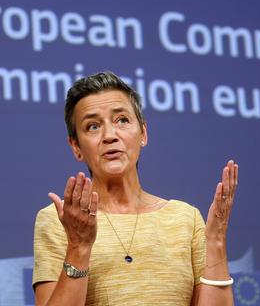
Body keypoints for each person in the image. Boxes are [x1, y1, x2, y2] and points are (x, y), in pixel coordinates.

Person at [33, 72, 238, 306]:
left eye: (122, 120)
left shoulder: (186, 219)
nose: (110, 136)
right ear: (76, 146)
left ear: (143, 133)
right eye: (92, 126)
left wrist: (216, 241)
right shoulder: (60, 220)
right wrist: (79, 247)